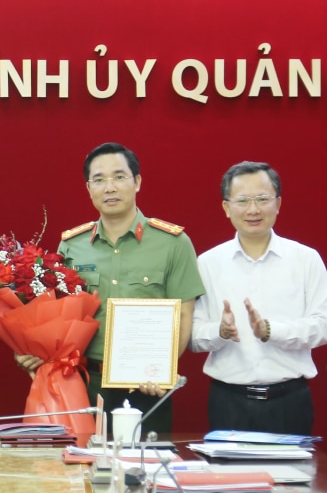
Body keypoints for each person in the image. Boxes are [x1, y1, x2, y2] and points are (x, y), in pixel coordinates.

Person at [17, 142, 205, 435]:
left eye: (119, 177)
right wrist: (33, 349)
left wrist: (159, 368)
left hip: (146, 386)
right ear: (88, 188)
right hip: (83, 383)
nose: (110, 187)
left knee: (144, 473)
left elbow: (184, 315)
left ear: (137, 182)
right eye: (99, 180)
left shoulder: (174, 244)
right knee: (80, 473)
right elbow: (55, 314)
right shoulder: (72, 245)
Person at [190, 161, 327, 436]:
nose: (253, 209)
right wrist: (220, 332)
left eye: (262, 199)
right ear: (226, 207)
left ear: (278, 203)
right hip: (228, 402)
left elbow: (324, 327)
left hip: (289, 402)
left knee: (291, 480)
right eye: (243, 200)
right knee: (231, 480)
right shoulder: (207, 263)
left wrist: (271, 330)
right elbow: (193, 336)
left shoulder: (305, 259)